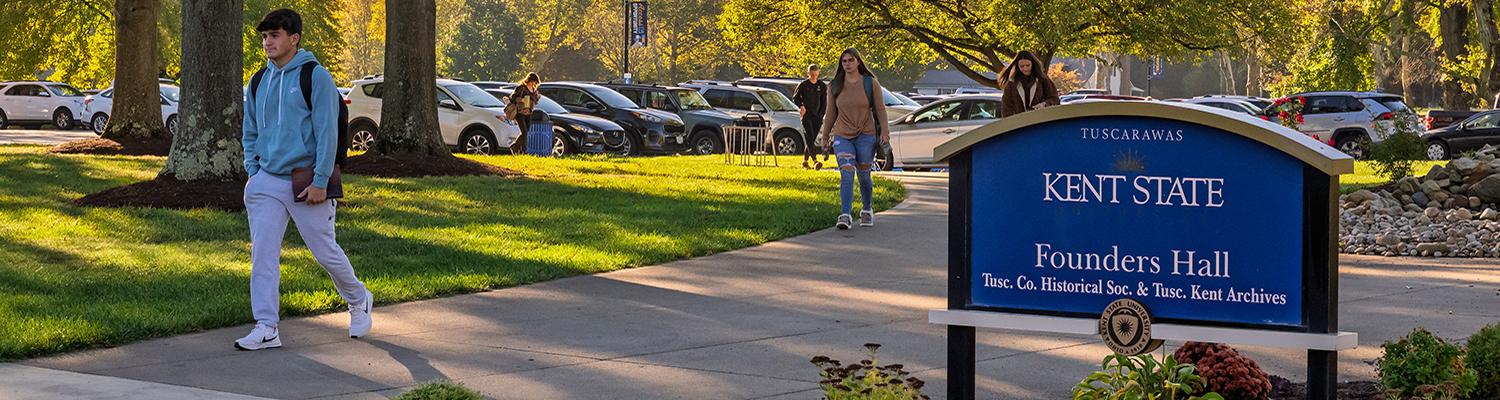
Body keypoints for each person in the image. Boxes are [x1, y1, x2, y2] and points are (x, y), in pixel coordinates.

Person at [238, 8, 372, 351]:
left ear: (294, 38)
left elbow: (328, 133)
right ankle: (266, 326)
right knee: (263, 256)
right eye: (265, 36)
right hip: (266, 181)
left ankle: (358, 298)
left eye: (275, 35)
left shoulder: (315, 76)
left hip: (307, 182)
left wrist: (321, 180)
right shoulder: (257, 81)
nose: (268, 42)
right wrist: (254, 171)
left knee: (324, 251)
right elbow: (250, 130)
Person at [819, 48, 889, 230]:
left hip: (866, 135)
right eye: (844, 61)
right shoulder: (835, 85)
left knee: (864, 175)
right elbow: (830, 113)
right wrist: (825, 136)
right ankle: (845, 214)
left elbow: (880, 109)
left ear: (858, 61)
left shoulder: (870, 83)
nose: (848, 64)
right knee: (847, 172)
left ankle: (866, 210)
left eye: (851, 60)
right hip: (843, 135)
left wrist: (885, 132)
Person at [999, 51, 1060, 117]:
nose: (1025, 69)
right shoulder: (1011, 83)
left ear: (1033, 64)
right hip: (1020, 123)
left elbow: (1055, 99)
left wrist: (1044, 104)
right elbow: (1006, 108)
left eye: (1028, 65)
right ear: (1017, 66)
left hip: (1041, 120)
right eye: (1022, 66)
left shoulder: (1042, 79)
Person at [792, 64, 828, 169]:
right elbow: (796, 98)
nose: (814, 77)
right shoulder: (803, 85)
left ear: (818, 74)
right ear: (808, 73)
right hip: (806, 116)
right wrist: (801, 106)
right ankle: (815, 161)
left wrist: (821, 114)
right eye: (812, 75)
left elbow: (824, 102)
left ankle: (805, 161)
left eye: (815, 75)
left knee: (811, 140)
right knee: (809, 136)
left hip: (817, 116)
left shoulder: (821, 86)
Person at [508, 73, 542, 154]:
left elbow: (535, 101)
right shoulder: (521, 88)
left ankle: (516, 147)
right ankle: (523, 150)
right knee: (524, 132)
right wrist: (521, 100)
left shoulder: (534, 90)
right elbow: (513, 98)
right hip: (520, 112)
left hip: (529, 112)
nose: (533, 84)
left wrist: (536, 97)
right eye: (532, 81)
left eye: (535, 82)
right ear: (529, 80)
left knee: (526, 132)